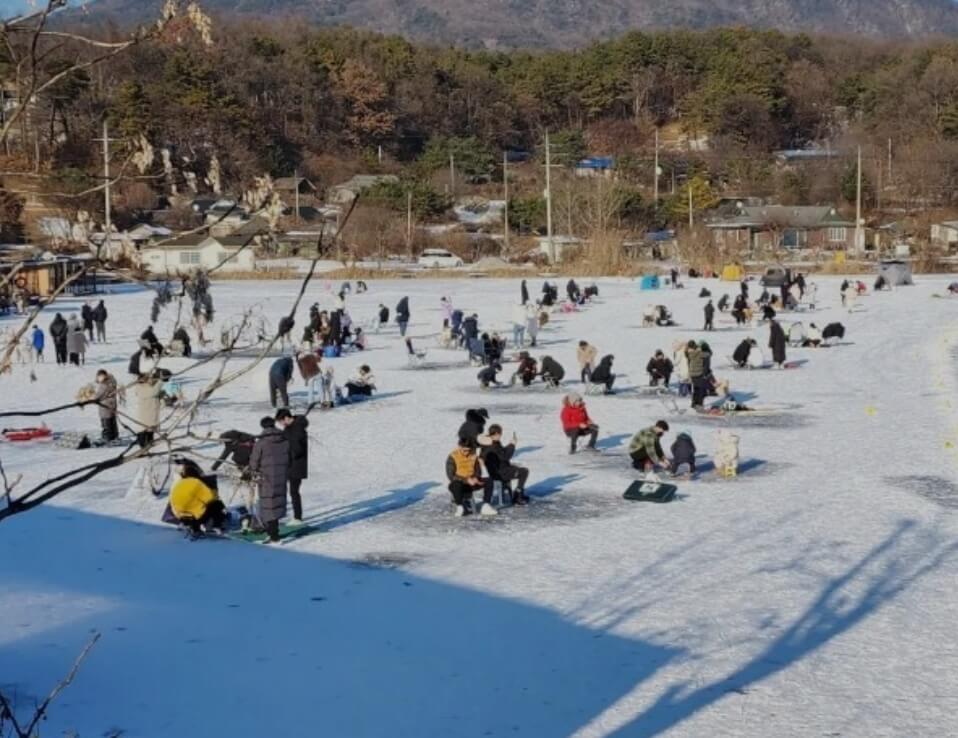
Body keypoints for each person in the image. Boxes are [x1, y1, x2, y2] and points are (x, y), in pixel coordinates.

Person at [249, 417, 291, 543]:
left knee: (269, 505)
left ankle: (274, 535)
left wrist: (251, 471)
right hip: (282, 475)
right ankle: (274, 532)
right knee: (278, 501)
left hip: (266, 477)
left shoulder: (261, 443)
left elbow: (254, 461)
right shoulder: (285, 439)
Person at [169, 459, 227, 537]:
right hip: (195, 517)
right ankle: (216, 525)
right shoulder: (197, 483)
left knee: (192, 506)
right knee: (217, 504)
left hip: (179, 515)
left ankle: (194, 528)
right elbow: (210, 497)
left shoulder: (179, 483)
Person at [446, 437, 496, 517]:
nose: (467, 452)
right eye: (464, 450)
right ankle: (460, 506)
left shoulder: (473, 455)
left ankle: (486, 505)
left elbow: (478, 470)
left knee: (489, 480)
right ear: (459, 447)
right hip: (460, 483)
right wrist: (466, 480)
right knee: (456, 484)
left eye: (468, 450)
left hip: (472, 482)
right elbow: (451, 475)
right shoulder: (452, 456)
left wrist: (476, 477)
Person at [482, 425, 530, 505]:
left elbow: (502, 452)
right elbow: (505, 456)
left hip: (496, 470)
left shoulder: (489, 443)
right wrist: (512, 445)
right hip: (500, 473)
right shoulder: (493, 445)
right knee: (524, 471)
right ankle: (517, 495)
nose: (501, 436)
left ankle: (518, 493)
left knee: (517, 468)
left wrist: (509, 445)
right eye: (500, 434)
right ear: (496, 434)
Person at [276, 408, 308, 524]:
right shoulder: (290, 428)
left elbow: (298, 449)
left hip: (296, 465)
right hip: (291, 465)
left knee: (294, 492)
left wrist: (287, 454)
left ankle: (297, 517)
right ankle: (296, 516)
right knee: (292, 491)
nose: (280, 424)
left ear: (286, 418)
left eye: (280, 421)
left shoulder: (297, 429)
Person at [128, 372, 164, 448]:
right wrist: (160, 382)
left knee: (151, 428)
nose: (151, 380)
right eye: (149, 379)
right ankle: (142, 445)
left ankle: (150, 442)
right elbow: (153, 392)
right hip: (145, 413)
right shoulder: (141, 388)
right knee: (143, 428)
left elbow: (156, 394)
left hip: (152, 411)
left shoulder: (150, 387)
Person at [94, 369, 119, 442]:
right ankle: (114, 435)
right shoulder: (112, 382)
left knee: (106, 423)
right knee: (112, 421)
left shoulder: (104, 385)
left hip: (105, 406)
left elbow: (99, 395)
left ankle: (107, 437)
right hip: (112, 405)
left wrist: (93, 397)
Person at [686, 340, 711, 408]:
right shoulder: (699, 353)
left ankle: (694, 403)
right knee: (700, 389)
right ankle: (699, 403)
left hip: (692, 373)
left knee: (696, 389)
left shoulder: (689, 354)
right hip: (699, 373)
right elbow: (707, 354)